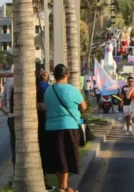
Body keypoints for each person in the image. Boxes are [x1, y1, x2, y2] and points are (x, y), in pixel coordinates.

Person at [43, 64, 87, 192]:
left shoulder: (49, 90)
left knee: (58, 157)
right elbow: (83, 106)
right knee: (66, 157)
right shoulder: (72, 90)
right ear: (67, 75)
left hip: (51, 127)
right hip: (69, 127)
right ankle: (64, 187)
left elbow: (46, 106)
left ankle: (62, 185)